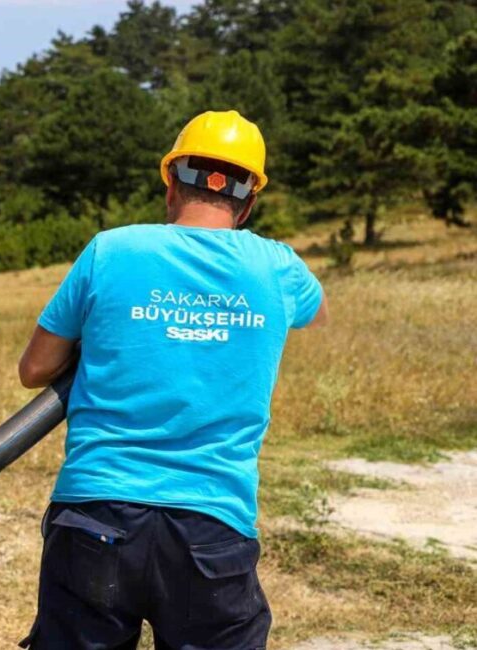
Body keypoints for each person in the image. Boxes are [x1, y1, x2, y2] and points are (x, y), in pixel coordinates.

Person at [17, 110, 328, 650]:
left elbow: (35, 370)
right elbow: (314, 317)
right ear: (249, 202)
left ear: (170, 186)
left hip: (96, 514)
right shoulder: (279, 267)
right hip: (211, 528)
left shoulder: (111, 250)